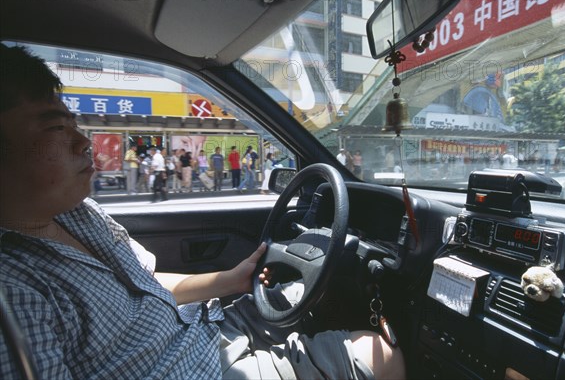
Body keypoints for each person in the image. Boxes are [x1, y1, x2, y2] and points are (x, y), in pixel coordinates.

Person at [0, 45, 404, 379]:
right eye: (55, 129)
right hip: (196, 369)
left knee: (310, 289)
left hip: (205, 332)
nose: (83, 142)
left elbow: (147, 282)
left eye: (74, 124)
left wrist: (231, 280)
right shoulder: (11, 293)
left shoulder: (78, 213)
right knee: (380, 355)